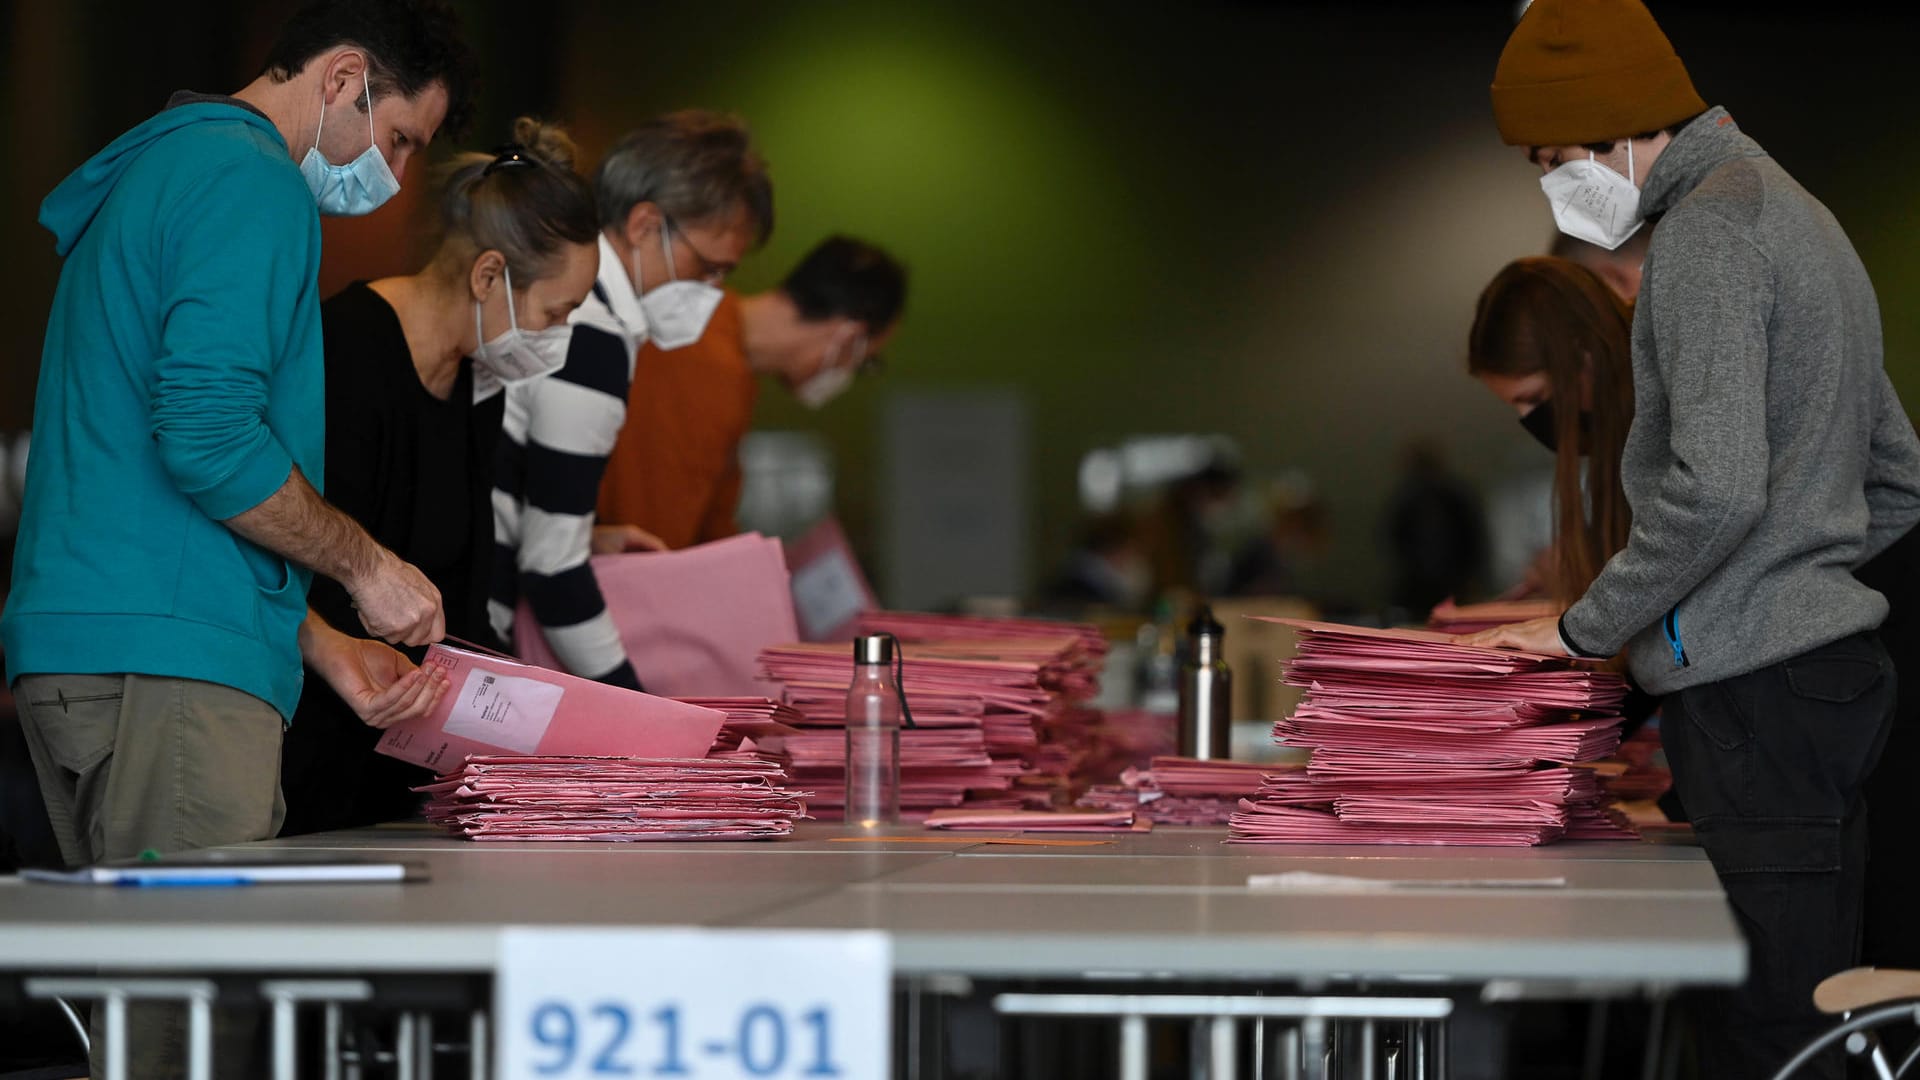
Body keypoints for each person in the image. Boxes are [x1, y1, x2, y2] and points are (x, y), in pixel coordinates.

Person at [1, 1, 476, 1072]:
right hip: (170, 668)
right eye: (400, 137)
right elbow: (209, 438)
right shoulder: (252, 179)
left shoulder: (158, 167)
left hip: (100, 642)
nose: (395, 175)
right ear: (345, 77)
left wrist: (316, 638)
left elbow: (150, 470)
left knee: (140, 1015)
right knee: (189, 1038)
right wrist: (369, 569)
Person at [1473, 2, 1920, 1074]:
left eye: (1552, 157)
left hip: (1757, 709)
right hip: (1824, 687)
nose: (1551, 186)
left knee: (1767, 1038)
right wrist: (1786, 586)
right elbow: (1899, 482)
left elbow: (1714, 493)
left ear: (1614, 126)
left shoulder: (1707, 235)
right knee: (1809, 1018)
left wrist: (1587, 632)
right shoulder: (1799, 212)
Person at [280, 120, 601, 837]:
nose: (559, 335)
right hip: (307, 749)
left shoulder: (475, 378)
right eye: (557, 312)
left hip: (412, 769)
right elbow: (271, 551)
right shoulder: (344, 350)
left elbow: (463, 588)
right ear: (489, 275)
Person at [490, 110, 773, 689]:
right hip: (474, 624)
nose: (714, 292)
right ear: (645, 224)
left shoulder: (561, 287)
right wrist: (640, 703)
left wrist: (583, 534)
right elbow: (552, 571)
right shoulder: (592, 328)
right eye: (708, 267)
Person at [595, 236, 908, 554]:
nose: (846, 376)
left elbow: (710, 524)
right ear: (848, 336)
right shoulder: (705, 363)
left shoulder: (720, 347)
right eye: (863, 362)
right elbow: (651, 542)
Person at [1381, 438, 1489, 616]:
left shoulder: (1450, 497)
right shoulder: (1409, 499)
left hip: (1446, 581)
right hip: (1422, 582)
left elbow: (1474, 539)